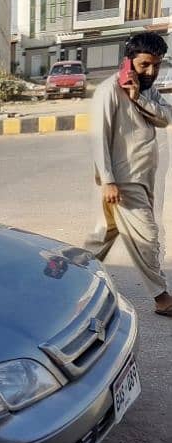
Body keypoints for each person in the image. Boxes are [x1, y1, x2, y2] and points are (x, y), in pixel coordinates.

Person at [86, 32, 172, 316]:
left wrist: (138, 98)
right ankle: (162, 298)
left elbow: (166, 117)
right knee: (146, 237)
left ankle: (67, 274)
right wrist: (108, 180)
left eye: (156, 65)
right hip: (123, 182)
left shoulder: (145, 89)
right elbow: (100, 138)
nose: (151, 71)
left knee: (102, 237)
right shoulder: (109, 90)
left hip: (141, 177)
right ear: (129, 60)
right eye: (145, 64)